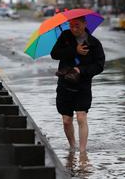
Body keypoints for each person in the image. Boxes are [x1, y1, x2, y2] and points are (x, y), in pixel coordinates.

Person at [50, 16, 105, 153]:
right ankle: (72, 146)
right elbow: (54, 54)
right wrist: (74, 50)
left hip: (83, 86)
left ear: (84, 24)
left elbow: (99, 66)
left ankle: (82, 152)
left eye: (77, 25)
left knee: (81, 117)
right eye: (71, 25)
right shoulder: (65, 36)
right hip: (65, 84)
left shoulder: (94, 43)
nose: (73, 28)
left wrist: (81, 70)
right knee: (66, 120)